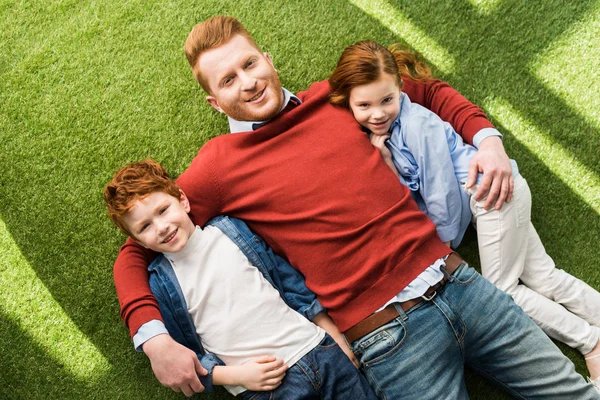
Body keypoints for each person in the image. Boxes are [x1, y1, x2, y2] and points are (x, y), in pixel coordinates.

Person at [112, 16, 600, 399]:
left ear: (266, 57)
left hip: (462, 284)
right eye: (228, 80)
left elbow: (427, 93)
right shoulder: (219, 167)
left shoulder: (337, 98)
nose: (247, 82)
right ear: (215, 102)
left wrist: (488, 142)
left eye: (249, 64)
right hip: (389, 338)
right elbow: (136, 252)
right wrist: (154, 339)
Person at [327, 39, 600, 390]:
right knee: (545, 277)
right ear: (348, 102)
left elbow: (442, 197)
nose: (377, 113)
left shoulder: (416, 125)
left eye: (386, 100)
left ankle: (589, 341)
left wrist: (440, 246)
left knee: (504, 293)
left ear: (400, 90)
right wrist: (387, 164)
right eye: (364, 105)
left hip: (491, 194)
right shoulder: (386, 136)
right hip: (496, 196)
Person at [104, 159, 377, 399]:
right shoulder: (161, 285)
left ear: (183, 201)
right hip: (267, 387)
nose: (161, 227)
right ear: (139, 241)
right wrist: (238, 377)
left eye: (163, 210)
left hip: (320, 349)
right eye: (145, 227)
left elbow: (292, 284)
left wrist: (334, 337)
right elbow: (188, 361)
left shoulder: (231, 230)